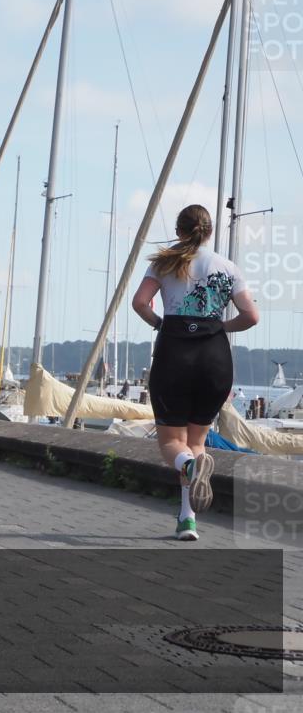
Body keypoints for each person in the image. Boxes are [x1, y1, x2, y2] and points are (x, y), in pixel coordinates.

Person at [132, 204, 258, 541]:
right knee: (196, 442)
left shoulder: (165, 262)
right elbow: (251, 316)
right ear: (210, 231)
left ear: (179, 230)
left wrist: (160, 323)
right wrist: (220, 326)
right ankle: (187, 519)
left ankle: (188, 469)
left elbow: (140, 303)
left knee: (173, 443)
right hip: (214, 355)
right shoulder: (228, 267)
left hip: (175, 350)